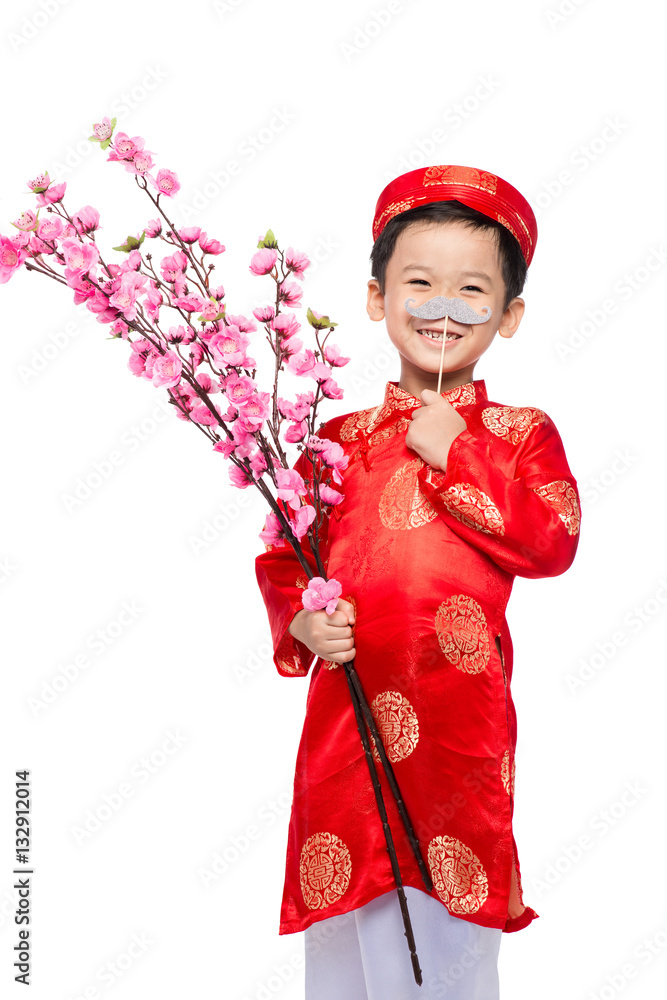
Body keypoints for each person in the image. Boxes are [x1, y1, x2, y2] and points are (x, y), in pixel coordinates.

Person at [254, 164, 581, 999]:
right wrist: (300, 622)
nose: (443, 308)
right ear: (375, 298)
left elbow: (551, 542)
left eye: (472, 290)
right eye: (418, 284)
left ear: (507, 315)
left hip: (456, 723)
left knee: (445, 940)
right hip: (346, 720)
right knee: (346, 940)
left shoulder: (518, 434)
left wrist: (455, 451)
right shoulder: (335, 439)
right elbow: (288, 552)